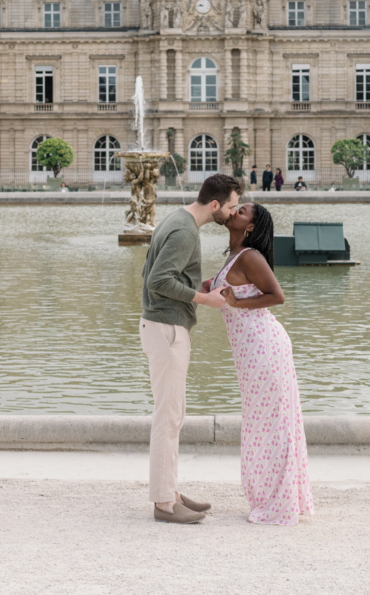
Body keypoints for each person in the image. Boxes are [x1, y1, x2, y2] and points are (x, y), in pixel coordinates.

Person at [140, 173, 242, 524]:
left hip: (161, 325)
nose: (232, 214)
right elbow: (157, 281)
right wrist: (203, 299)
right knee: (167, 420)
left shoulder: (175, 218)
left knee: (172, 416)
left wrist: (197, 285)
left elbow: (153, 273)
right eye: (230, 207)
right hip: (167, 328)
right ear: (215, 204)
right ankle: (164, 504)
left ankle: (169, 491)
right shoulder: (185, 231)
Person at [206, 202, 315, 525]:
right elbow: (225, 290)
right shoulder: (235, 255)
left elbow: (276, 295)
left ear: (250, 227)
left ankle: (279, 503)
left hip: (264, 347)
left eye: (241, 211)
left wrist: (238, 302)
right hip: (251, 351)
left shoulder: (251, 255)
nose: (234, 212)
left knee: (272, 425)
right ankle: (274, 496)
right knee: (263, 423)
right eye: (235, 208)